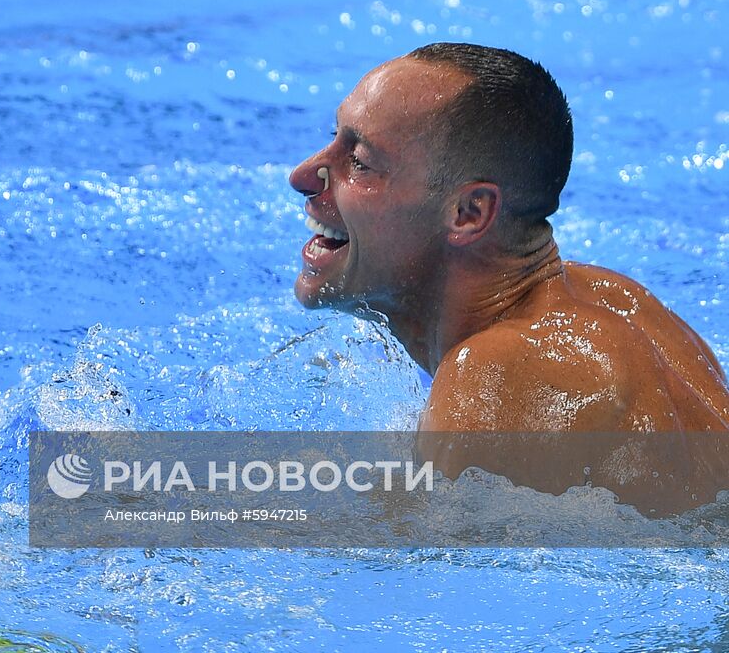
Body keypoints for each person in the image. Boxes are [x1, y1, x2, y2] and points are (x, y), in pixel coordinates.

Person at [287, 43, 729, 512]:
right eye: (333, 137)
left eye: (359, 161)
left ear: (469, 213)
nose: (302, 175)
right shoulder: (618, 298)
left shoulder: (497, 376)